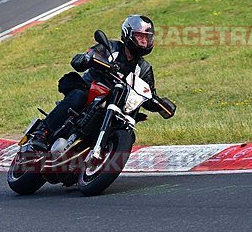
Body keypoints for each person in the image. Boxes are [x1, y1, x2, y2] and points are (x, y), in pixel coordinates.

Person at [29, 14, 163, 152]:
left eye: (147, 38)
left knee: (128, 129)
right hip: (91, 91)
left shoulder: (144, 69)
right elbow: (82, 59)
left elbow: (149, 94)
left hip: (117, 104)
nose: (143, 41)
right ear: (128, 34)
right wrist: (86, 59)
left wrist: (159, 103)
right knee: (78, 95)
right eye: (140, 36)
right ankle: (42, 131)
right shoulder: (111, 47)